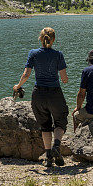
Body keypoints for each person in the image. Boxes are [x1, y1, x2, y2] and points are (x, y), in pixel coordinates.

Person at [13, 27, 69, 167]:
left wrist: (17, 86)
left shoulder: (33, 53)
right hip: (54, 93)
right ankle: (56, 145)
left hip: (38, 94)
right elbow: (64, 79)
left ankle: (49, 156)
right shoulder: (58, 55)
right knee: (60, 121)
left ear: (40, 38)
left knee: (45, 126)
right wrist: (64, 78)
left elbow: (26, 75)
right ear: (54, 39)